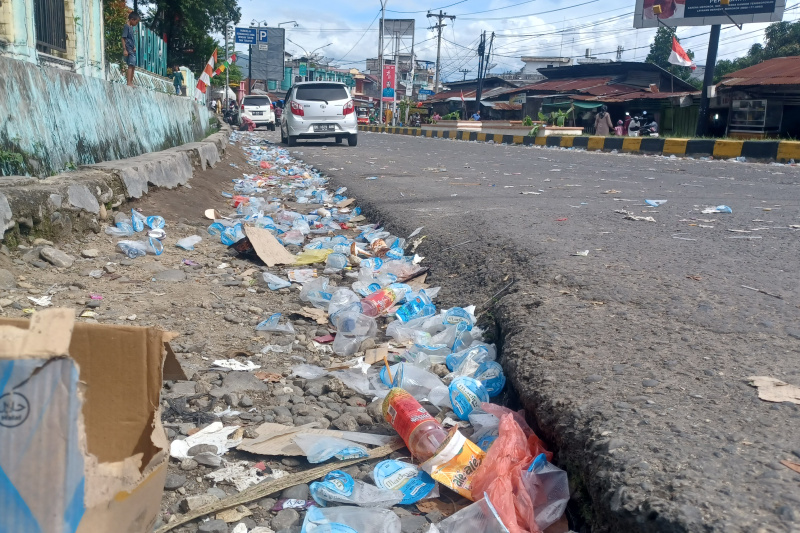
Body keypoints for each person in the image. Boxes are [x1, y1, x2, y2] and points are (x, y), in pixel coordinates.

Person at [121, 11, 140, 87]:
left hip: (132, 49)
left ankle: (131, 81)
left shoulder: (131, 28)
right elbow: (123, 38)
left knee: (133, 65)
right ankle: (129, 82)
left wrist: (134, 46)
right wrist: (124, 49)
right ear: (132, 19)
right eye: (136, 22)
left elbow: (131, 38)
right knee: (130, 65)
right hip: (128, 49)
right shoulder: (126, 27)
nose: (136, 24)